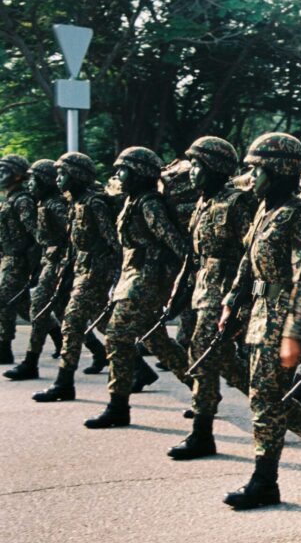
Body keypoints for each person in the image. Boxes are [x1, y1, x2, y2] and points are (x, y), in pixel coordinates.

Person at [218, 133, 301, 509]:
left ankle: (265, 481)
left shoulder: (300, 215)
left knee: (265, 399)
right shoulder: (265, 209)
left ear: (278, 171)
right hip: (259, 313)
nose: (251, 176)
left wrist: (297, 327)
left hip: (282, 316)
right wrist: (232, 301)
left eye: (257, 169)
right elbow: (248, 261)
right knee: (269, 396)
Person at [84, 147, 192, 429]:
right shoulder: (134, 201)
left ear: (140, 173)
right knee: (158, 342)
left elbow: (176, 244)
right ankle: (202, 389)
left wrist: (183, 282)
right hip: (132, 278)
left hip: (146, 280)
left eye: (125, 170)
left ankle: (118, 406)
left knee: (117, 337)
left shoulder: (149, 205)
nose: (119, 175)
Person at [168, 136, 255, 459]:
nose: (191, 171)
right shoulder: (203, 204)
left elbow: (254, 255)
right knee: (226, 366)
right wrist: (178, 295)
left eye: (197, 165)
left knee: (203, 358)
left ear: (215, 168)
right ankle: (297, 417)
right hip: (203, 292)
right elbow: (193, 257)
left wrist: (241, 303)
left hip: (225, 295)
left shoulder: (237, 203)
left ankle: (202, 433)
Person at [33, 153, 120, 403]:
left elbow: (113, 242)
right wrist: (66, 273)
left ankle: (64, 382)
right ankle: (140, 368)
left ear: (78, 175)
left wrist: (115, 276)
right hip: (80, 270)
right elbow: (73, 245)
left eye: (63, 174)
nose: (58, 179)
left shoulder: (95, 204)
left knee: (71, 322)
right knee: (103, 324)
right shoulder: (74, 202)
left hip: (96, 271)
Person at [5, 160, 70, 380]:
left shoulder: (38, 202)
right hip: (34, 260)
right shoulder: (27, 200)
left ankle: (11, 351)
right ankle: (56, 349)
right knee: (33, 308)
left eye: (34, 179)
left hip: (38, 262)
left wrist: (34, 264)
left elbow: (39, 234)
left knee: (14, 303)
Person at [0, 154, 38, 366]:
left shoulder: (23, 200)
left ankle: (4, 348)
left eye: (4, 170)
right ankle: (59, 340)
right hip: (9, 258)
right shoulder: (11, 198)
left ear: (17, 175)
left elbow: (35, 233)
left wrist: (33, 265)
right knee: (25, 307)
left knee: (4, 302)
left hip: (19, 260)